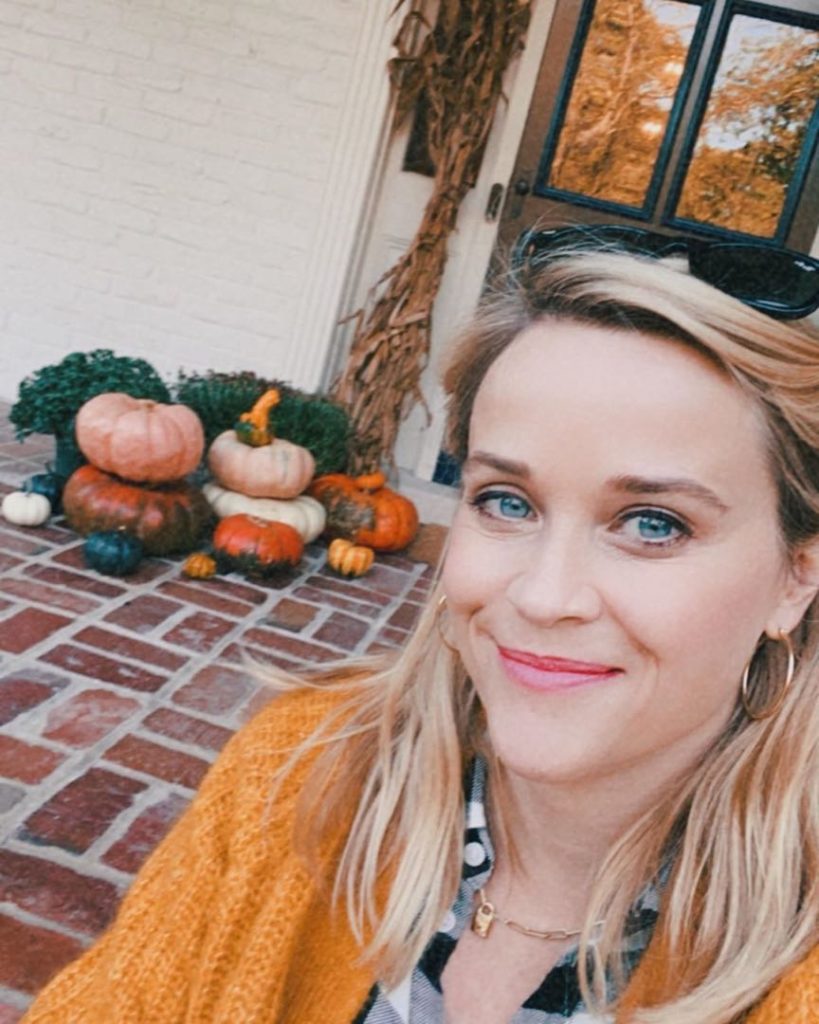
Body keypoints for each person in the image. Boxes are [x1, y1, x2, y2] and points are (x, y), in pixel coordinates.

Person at [22, 227, 819, 1024]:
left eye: (652, 524)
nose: (543, 597)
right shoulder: (297, 772)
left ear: (796, 577)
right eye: (506, 502)